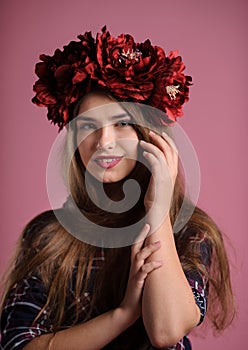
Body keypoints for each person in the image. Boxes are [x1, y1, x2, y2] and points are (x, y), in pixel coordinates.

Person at [0, 26, 235, 350]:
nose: (103, 143)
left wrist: (158, 208)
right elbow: (17, 345)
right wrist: (122, 315)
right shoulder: (47, 235)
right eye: (87, 127)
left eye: (122, 123)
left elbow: (166, 332)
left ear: (149, 134)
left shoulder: (191, 234)